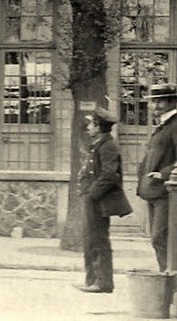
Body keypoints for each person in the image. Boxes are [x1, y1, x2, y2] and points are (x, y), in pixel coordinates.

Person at [75, 104, 131, 293]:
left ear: (99, 127)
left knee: (98, 240)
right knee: (90, 239)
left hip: (98, 200)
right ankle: (92, 280)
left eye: (91, 124)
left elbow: (110, 175)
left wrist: (91, 194)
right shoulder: (100, 144)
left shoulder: (108, 146)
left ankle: (103, 282)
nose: (88, 127)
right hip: (92, 199)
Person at [136, 83, 177, 271]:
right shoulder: (162, 126)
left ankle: (171, 282)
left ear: (172, 102)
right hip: (155, 191)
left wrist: (164, 173)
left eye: (160, 102)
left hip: (168, 191)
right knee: (159, 238)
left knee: (161, 237)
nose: (155, 106)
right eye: (153, 102)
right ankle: (167, 280)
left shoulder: (174, 125)